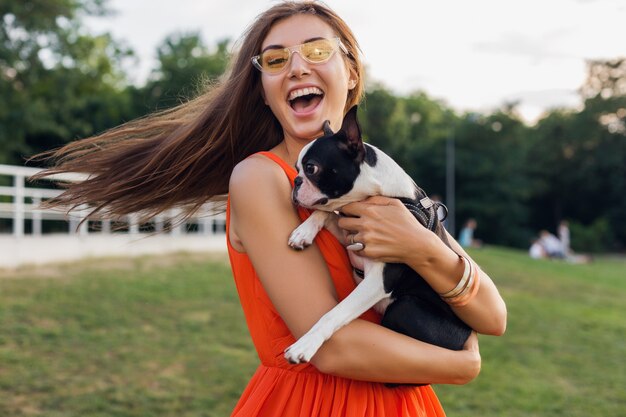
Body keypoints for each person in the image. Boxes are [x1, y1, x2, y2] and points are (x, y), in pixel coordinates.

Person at [35, 2, 507, 415]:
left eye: (317, 50)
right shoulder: (260, 179)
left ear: (352, 73)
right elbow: (333, 351)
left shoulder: (376, 178)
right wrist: (462, 364)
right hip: (316, 404)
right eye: (277, 59)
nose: (298, 66)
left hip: (404, 405)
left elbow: (494, 317)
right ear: (263, 88)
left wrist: (421, 245)